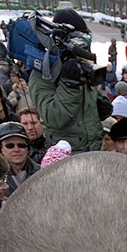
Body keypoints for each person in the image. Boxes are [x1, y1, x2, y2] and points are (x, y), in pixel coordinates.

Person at [29, 9, 112, 152]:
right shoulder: (44, 72)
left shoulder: (81, 65)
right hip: (66, 156)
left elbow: (86, 110)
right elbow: (54, 118)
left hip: (94, 149)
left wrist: (100, 108)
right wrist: (68, 86)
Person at [0, 122, 39, 194]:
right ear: (1, 149)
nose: (16, 150)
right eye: (10, 146)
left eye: (21, 145)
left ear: (28, 148)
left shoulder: (40, 172)